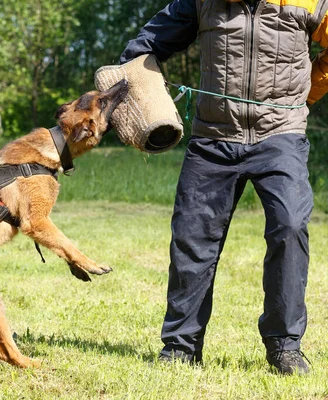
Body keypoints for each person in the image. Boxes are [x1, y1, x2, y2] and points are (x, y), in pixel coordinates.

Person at [119, 0, 328, 374]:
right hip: (212, 137)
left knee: (290, 225)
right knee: (192, 238)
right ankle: (181, 347)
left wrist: (308, 93)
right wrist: (134, 85)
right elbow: (148, 43)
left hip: (281, 135)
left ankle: (284, 347)